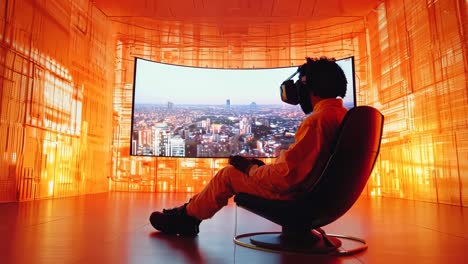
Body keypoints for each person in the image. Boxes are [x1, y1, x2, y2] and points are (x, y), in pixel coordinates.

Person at [149, 56, 349, 236]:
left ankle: (186, 219)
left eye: (299, 85)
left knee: (228, 174)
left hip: (296, 197)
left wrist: (249, 168)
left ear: (309, 87)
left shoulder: (317, 121)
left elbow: (285, 179)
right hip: (318, 196)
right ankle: (188, 212)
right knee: (242, 171)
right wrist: (261, 168)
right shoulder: (340, 115)